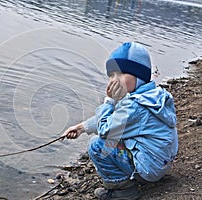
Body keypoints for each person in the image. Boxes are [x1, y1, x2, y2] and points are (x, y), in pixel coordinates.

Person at [62, 42, 178, 200]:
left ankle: (123, 192)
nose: (114, 80)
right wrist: (82, 127)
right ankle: (141, 170)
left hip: (149, 169)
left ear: (138, 75)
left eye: (121, 74)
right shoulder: (153, 96)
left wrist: (109, 101)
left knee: (98, 145)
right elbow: (116, 119)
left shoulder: (134, 106)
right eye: (111, 75)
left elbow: (106, 130)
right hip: (161, 163)